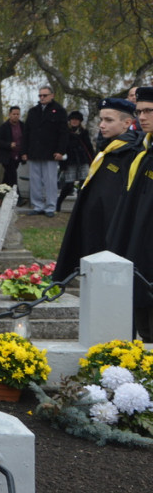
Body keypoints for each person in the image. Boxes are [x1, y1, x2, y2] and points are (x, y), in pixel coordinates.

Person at [52, 99, 141, 282]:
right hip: (94, 226)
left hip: (109, 231)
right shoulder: (109, 148)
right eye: (101, 119)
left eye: (109, 120)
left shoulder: (131, 153)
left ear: (126, 123)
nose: (101, 125)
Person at [108, 87, 153, 341]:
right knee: (143, 328)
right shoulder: (144, 151)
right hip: (138, 251)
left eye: (148, 111)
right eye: (139, 112)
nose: (142, 117)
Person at [21, 85, 69, 217]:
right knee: (35, 181)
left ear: (52, 95)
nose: (42, 98)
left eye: (44, 95)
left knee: (50, 181)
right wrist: (24, 151)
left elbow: (63, 133)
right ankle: (37, 205)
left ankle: (50, 206)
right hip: (34, 151)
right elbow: (26, 133)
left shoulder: (59, 111)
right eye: (40, 95)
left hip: (51, 152)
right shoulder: (33, 111)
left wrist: (60, 151)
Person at [56, 110, 95, 212]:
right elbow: (62, 147)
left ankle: (80, 206)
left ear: (80, 121)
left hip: (83, 160)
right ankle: (58, 202)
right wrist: (62, 163)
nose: (74, 121)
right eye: (72, 119)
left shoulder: (84, 132)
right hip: (70, 161)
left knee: (83, 184)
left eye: (76, 120)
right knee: (69, 185)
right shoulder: (65, 132)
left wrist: (93, 160)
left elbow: (89, 147)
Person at [0, 106, 23, 187]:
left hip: (18, 156)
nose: (16, 116)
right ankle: (17, 196)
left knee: (7, 177)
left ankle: (1, 192)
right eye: (14, 114)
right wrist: (9, 144)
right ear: (9, 114)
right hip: (7, 157)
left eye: (18, 114)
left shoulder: (23, 126)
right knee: (13, 177)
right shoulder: (3, 127)